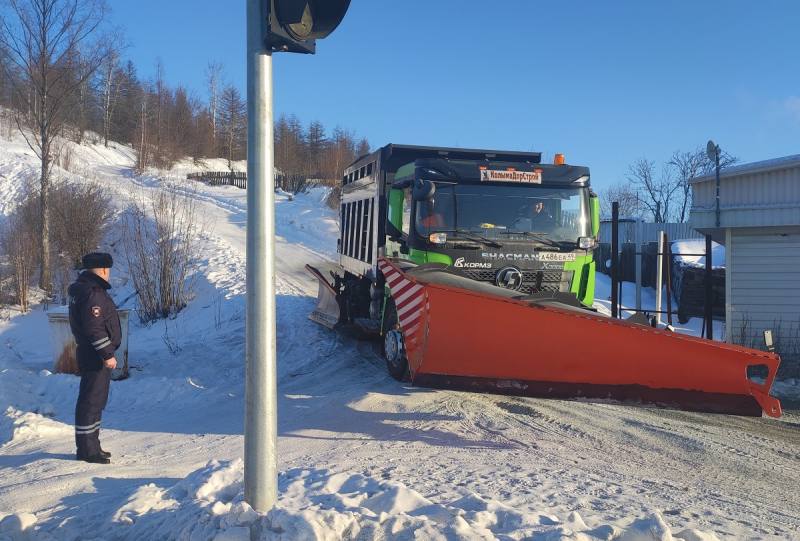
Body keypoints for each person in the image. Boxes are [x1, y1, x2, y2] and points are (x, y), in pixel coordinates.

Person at [69, 252, 121, 464]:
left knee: (92, 400)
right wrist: (107, 354)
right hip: (95, 355)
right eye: (108, 270)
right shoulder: (93, 293)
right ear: (102, 270)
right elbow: (94, 328)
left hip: (89, 352)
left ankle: (90, 446)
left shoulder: (81, 288)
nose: (108, 275)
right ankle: (88, 451)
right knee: (92, 401)